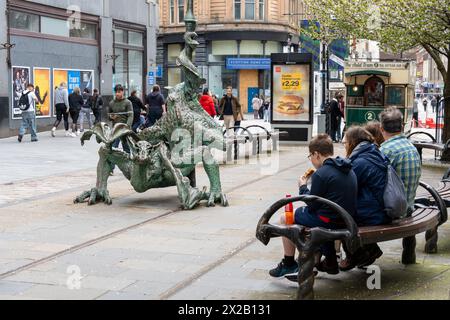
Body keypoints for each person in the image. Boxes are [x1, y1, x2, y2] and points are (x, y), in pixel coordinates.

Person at [269, 134, 358, 277]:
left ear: (316, 154)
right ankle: (328, 260)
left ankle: (289, 263)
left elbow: (312, 205)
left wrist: (303, 187)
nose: (310, 159)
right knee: (312, 216)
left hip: (329, 221)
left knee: (286, 218)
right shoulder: (348, 168)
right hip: (346, 220)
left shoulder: (321, 174)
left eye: (310, 155)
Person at [339, 126, 390, 271]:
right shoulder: (374, 154)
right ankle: (369, 249)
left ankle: (356, 255)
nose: (345, 146)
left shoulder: (360, 162)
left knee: (339, 215)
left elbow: (346, 187)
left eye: (345, 143)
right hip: (382, 209)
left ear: (353, 143)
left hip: (375, 214)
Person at [379, 107, 421, 214]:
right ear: (402, 127)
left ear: (381, 129)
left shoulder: (386, 150)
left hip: (393, 212)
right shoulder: (412, 147)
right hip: (409, 207)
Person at [109, 84, 133, 154]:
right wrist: (111, 117)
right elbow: (109, 115)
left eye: (119, 92)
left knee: (126, 149)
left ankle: (128, 163)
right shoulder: (112, 103)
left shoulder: (128, 102)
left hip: (124, 129)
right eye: (116, 92)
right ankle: (112, 164)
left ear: (122, 92)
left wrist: (127, 127)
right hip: (115, 129)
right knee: (113, 148)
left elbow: (131, 115)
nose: (117, 94)